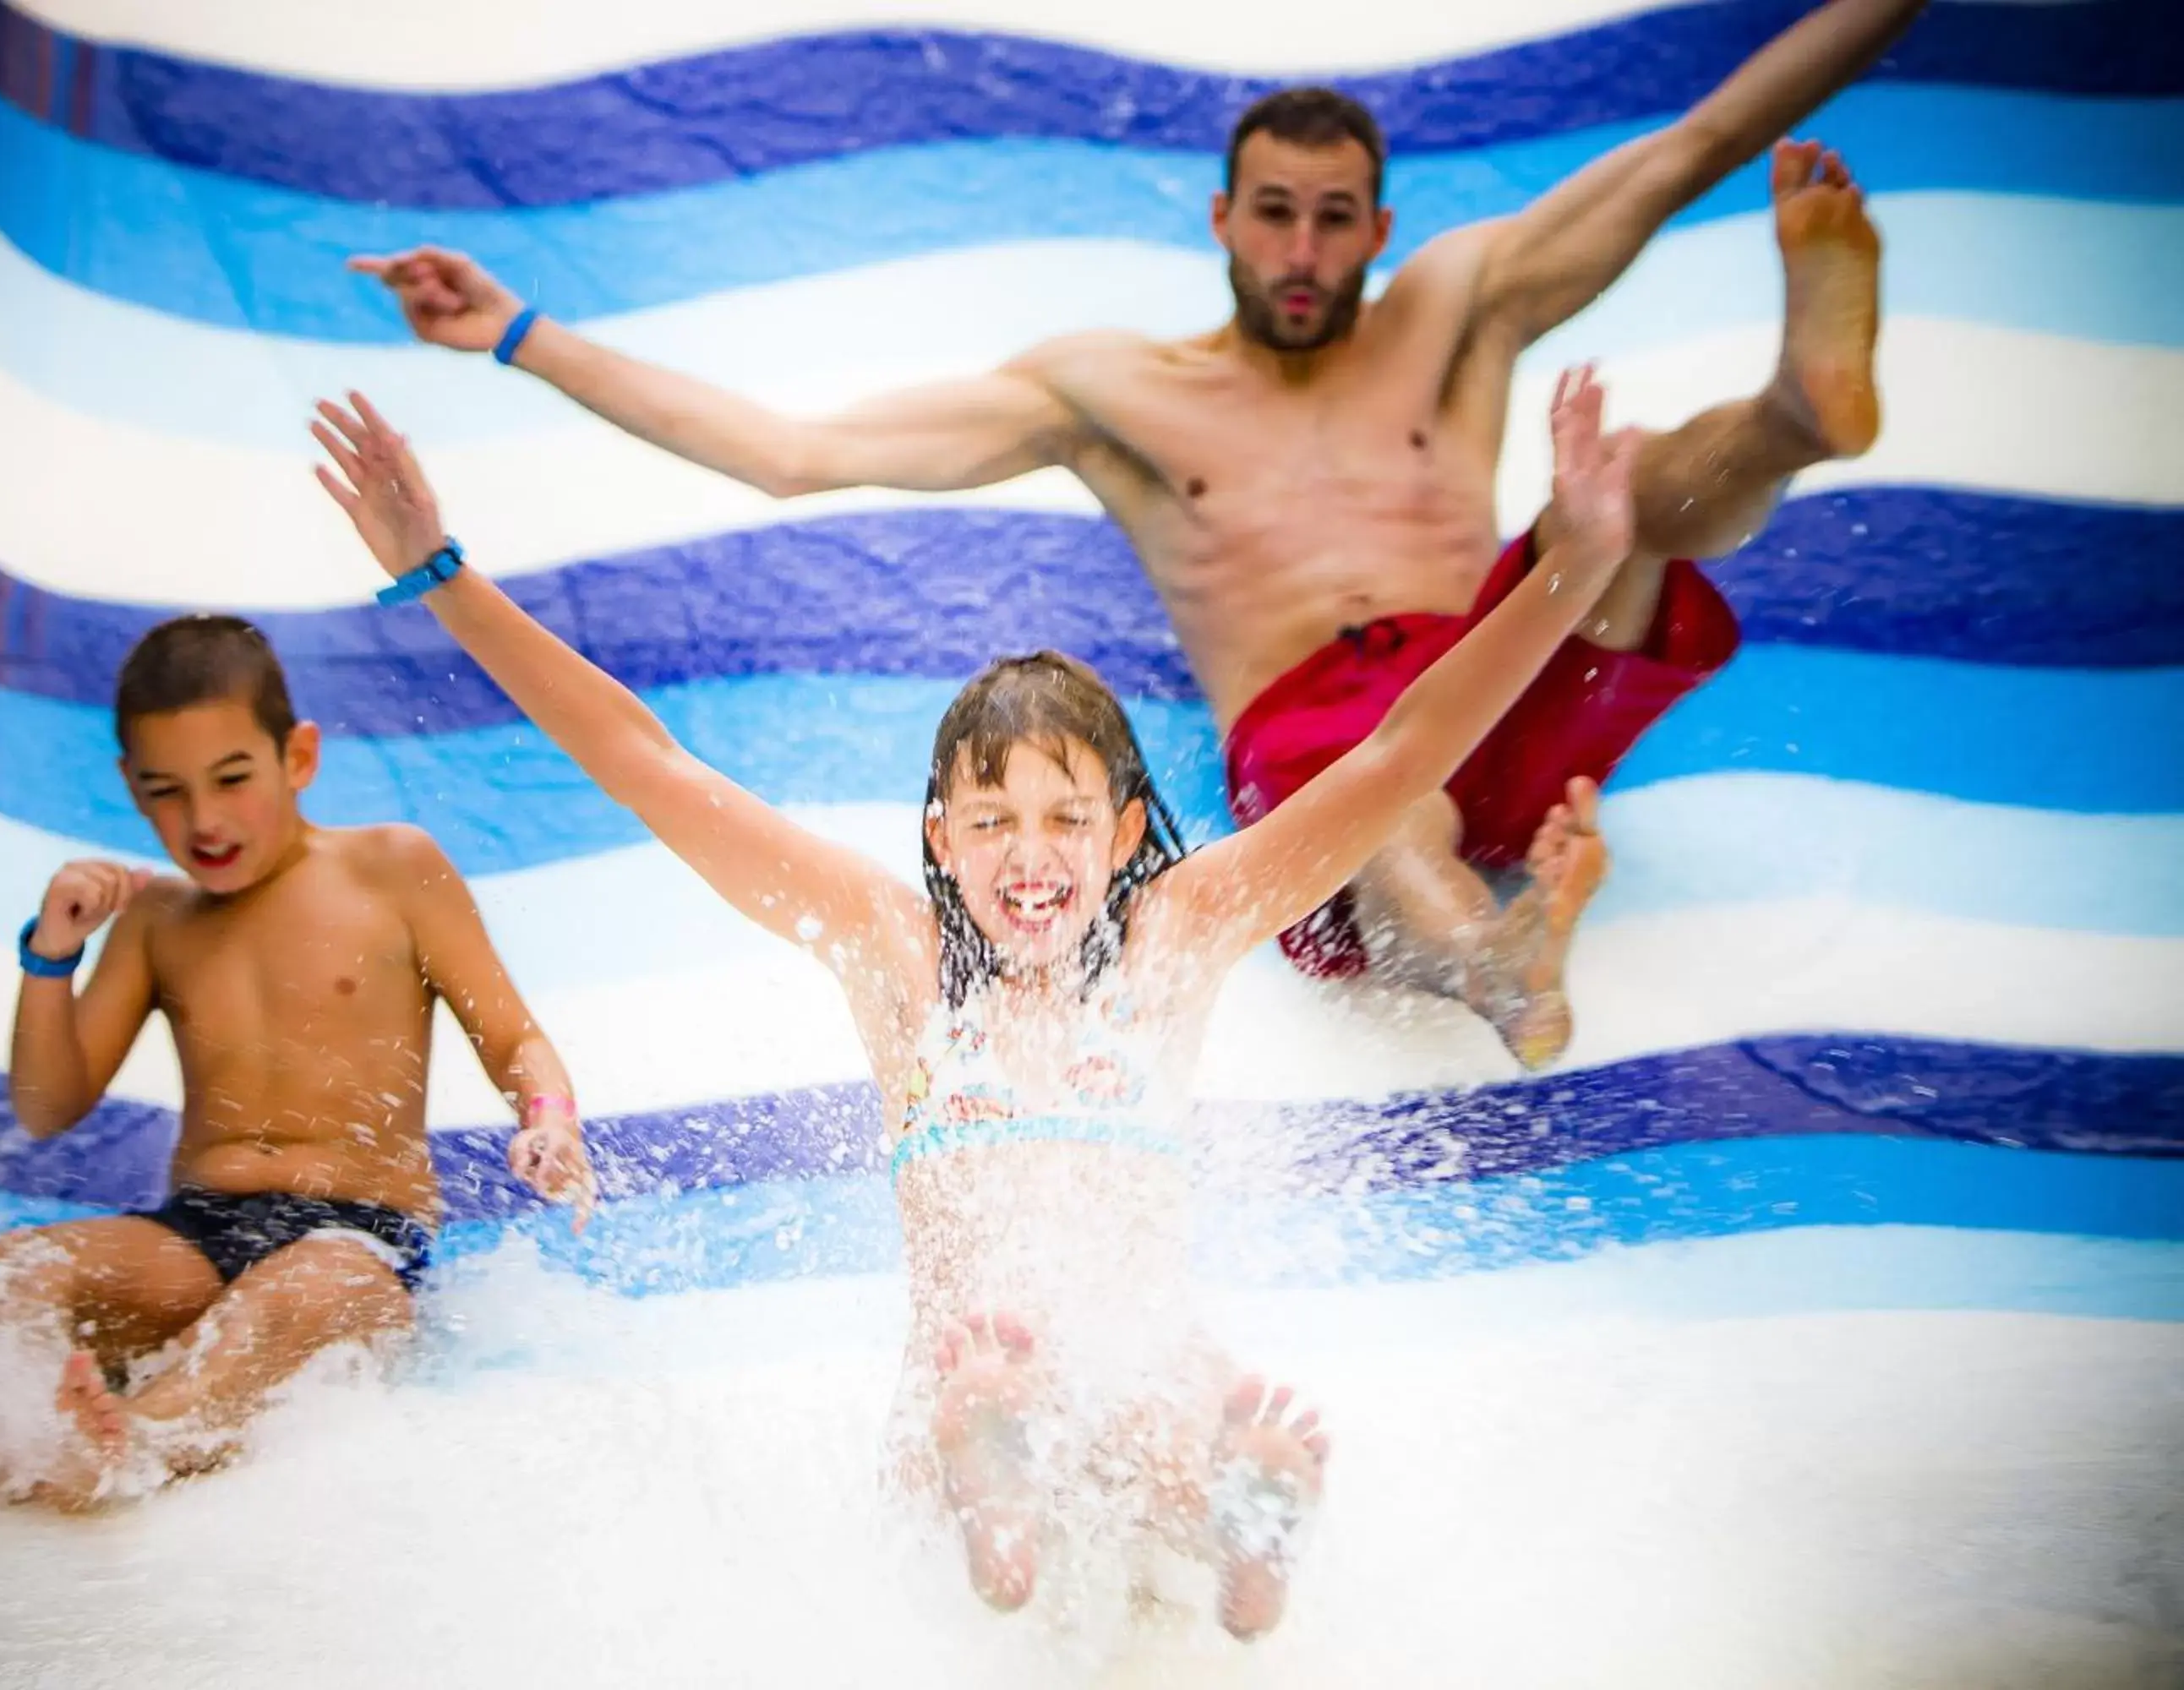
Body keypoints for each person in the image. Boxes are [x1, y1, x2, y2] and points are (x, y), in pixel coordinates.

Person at [308, 366, 1638, 1636]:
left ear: (1124, 839)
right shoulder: (893, 953)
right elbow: (646, 763)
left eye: (1066, 818)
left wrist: (1574, 566)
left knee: (1167, 1405)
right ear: (940, 839)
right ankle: (1005, 1479)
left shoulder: (1176, 935)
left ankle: (1237, 1527)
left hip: (1147, 1381)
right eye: (992, 819)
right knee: (988, 1383)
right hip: (961, 1388)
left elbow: (1402, 750)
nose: (1029, 854)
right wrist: (442, 575)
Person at [352, 0, 1920, 1067]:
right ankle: (1495, 960)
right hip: (1320, 733)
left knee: (1630, 494)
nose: (1304, 251)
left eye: (1335, 218)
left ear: (1381, 226)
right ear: (1222, 218)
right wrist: (518, 335)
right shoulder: (1117, 396)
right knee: (1381, 810)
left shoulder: (1462, 305)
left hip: (1499, 674)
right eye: (1274, 212)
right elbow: (791, 455)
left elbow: (1696, 144)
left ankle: (1799, 411)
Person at [0, 616, 594, 1510]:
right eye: (167, 791)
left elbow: (515, 1037)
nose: (203, 819)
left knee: (288, 1298)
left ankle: (128, 1442)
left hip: (356, 1243)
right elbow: (48, 1104)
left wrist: (547, 1112)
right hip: (196, 1237)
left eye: (233, 778)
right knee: (24, 1265)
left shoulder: (391, 869)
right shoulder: (157, 918)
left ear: (299, 757)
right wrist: (51, 956)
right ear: (130, 787)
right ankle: (3, 1440)